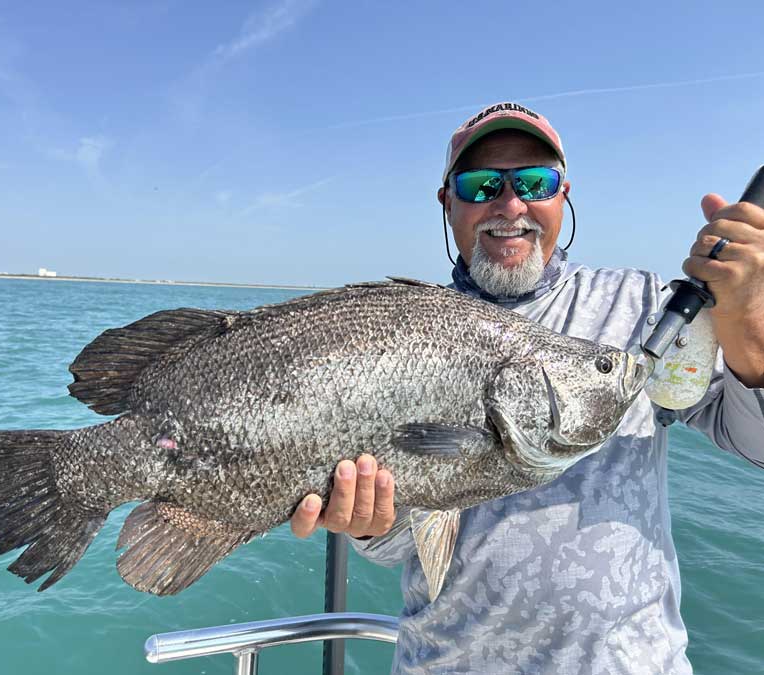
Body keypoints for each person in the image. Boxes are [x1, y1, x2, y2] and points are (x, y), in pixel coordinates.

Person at [290, 102, 764, 674]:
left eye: (535, 182)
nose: (509, 205)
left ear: (564, 195)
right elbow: (396, 547)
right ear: (448, 202)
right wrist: (369, 522)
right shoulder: (399, 330)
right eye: (481, 183)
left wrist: (747, 314)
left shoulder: (641, 306)